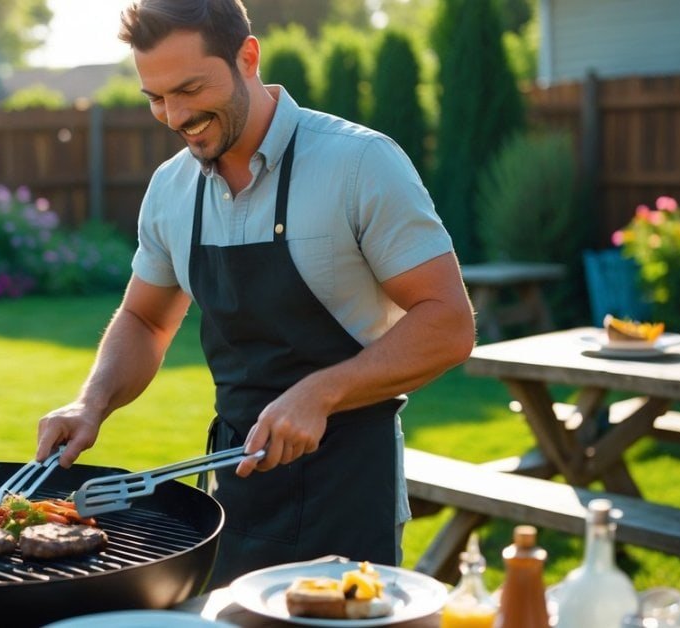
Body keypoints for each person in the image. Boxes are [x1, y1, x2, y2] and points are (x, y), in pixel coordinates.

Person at [34, 0, 475, 587]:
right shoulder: (170, 189)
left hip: (347, 491)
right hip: (233, 491)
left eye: (190, 89)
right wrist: (90, 403)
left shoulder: (359, 163)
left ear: (247, 56)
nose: (176, 115)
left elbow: (448, 323)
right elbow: (145, 320)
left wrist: (321, 392)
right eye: (156, 98)